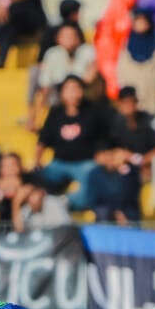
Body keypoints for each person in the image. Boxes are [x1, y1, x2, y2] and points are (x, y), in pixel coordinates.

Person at [34, 75, 107, 209]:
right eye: (69, 89)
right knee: (36, 176)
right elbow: (43, 139)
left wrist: (100, 156)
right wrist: (37, 161)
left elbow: (102, 139)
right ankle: (52, 203)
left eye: (76, 88)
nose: (73, 92)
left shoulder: (92, 111)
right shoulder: (55, 112)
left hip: (85, 163)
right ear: (62, 93)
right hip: (59, 163)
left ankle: (64, 202)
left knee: (94, 179)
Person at [108, 85, 155, 210]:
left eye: (131, 101)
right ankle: (119, 210)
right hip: (126, 167)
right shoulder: (115, 123)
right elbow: (110, 150)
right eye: (125, 102)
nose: (128, 105)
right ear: (119, 104)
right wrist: (127, 157)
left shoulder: (149, 120)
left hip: (148, 165)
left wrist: (143, 161)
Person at [116, 8, 155, 113]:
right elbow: (121, 70)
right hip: (132, 93)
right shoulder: (126, 44)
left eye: (144, 21)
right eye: (138, 21)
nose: (141, 24)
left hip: (152, 93)